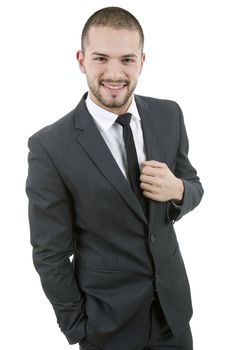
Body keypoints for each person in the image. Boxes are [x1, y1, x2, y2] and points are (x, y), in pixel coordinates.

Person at [26, 6, 204, 350]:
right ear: (81, 60)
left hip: (173, 317)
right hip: (106, 327)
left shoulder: (169, 114)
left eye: (126, 59)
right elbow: (49, 253)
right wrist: (78, 327)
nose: (114, 72)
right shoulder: (49, 146)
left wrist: (179, 190)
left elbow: (193, 184)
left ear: (142, 61)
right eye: (100, 58)